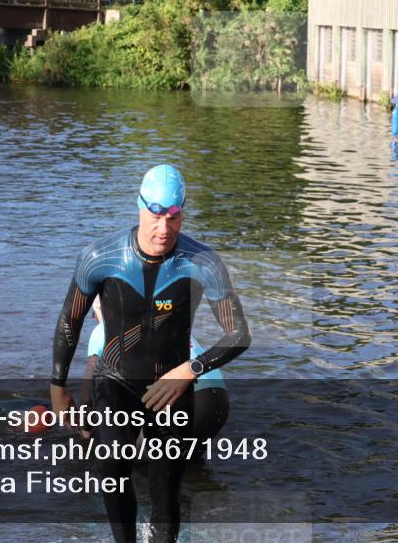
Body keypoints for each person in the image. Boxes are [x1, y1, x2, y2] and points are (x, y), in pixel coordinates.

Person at [51, 164, 251, 543]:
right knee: (108, 470)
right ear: (140, 207)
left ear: (183, 213)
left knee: (164, 492)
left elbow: (239, 334)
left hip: (172, 390)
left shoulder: (203, 262)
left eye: (173, 217)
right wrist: (56, 385)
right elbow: (69, 322)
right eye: (156, 215)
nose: (164, 228)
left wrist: (189, 371)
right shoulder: (100, 256)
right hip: (115, 381)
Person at [82, 295, 230, 448]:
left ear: (102, 310)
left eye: (94, 314)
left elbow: (87, 394)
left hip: (187, 399)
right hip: (219, 399)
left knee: (128, 460)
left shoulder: (105, 329)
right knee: (188, 462)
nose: (95, 319)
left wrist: (86, 432)